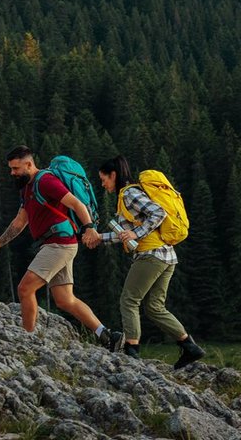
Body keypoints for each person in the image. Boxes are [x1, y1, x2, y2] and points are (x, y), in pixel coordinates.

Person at [0, 146, 124, 349]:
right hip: (54, 244)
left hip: (59, 244)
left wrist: (90, 228)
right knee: (65, 300)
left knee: (25, 289)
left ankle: (28, 340)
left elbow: (77, 204)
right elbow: (19, 221)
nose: (12, 173)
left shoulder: (46, 181)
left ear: (29, 164)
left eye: (15, 168)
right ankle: (108, 336)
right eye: (11, 169)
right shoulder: (27, 188)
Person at [82, 155, 206, 369]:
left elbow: (158, 213)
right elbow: (126, 235)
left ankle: (132, 351)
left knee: (128, 300)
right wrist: (100, 238)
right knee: (154, 307)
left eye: (104, 180)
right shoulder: (128, 195)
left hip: (151, 255)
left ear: (114, 175)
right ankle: (190, 347)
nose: (103, 185)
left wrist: (136, 234)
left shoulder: (129, 193)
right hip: (167, 256)